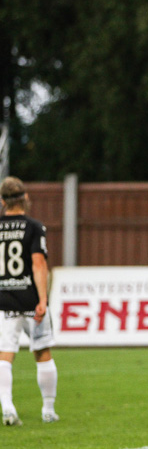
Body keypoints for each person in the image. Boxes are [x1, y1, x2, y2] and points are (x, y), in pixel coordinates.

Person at [0, 177, 59, 426]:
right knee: (42, 351)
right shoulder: (34, 226)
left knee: (5, 355)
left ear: (2, 201)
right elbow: (38, 263)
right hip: (30, 300)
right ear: (25, 198)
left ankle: (8, 408)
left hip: (3, 299)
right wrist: (43, 299)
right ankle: (48, 410)